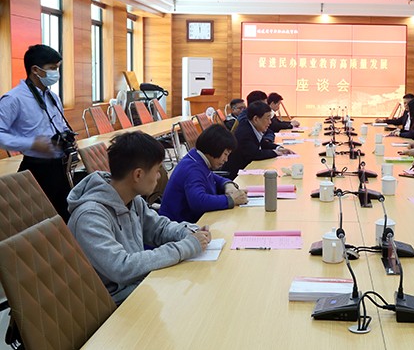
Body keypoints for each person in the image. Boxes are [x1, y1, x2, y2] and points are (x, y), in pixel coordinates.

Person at [67, 132, 210, 304]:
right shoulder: (89, 217)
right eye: (157, 170)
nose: (159, 176)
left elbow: (160, 229)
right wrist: (185, 247)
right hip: (115, 305)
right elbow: (122, 267)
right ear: (138, 175)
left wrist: (189, 232)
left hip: (139, 286)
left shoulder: (133, 200)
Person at [0, 45, 77, 221]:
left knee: (66, 218)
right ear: (35, 70)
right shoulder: (13, 99)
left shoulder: (52, 97)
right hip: (36, 169)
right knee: (40, 222)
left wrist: (68, 136)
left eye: (58, 68)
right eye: (52, 68)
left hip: (60, 167)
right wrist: (32, 144)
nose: (56, 73)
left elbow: (59, 125)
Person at [160, 124, 248, 223]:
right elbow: (198, 201)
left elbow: (211, 176)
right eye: (225, 154)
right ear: (215, 148)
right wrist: (231, 199)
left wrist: (227, 185)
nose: (226, 159)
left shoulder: (196, 158)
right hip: (179, 225)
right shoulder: (192, 169)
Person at [221, 100, 293, 177]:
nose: (270, 122)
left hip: (247, 169)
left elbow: (263, 143)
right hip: (236, 175)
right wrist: (275, 153)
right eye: (267, 118)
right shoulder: (244, 132)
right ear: (256, 119)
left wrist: (279, 148)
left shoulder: (251, 126)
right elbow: (254, 154)